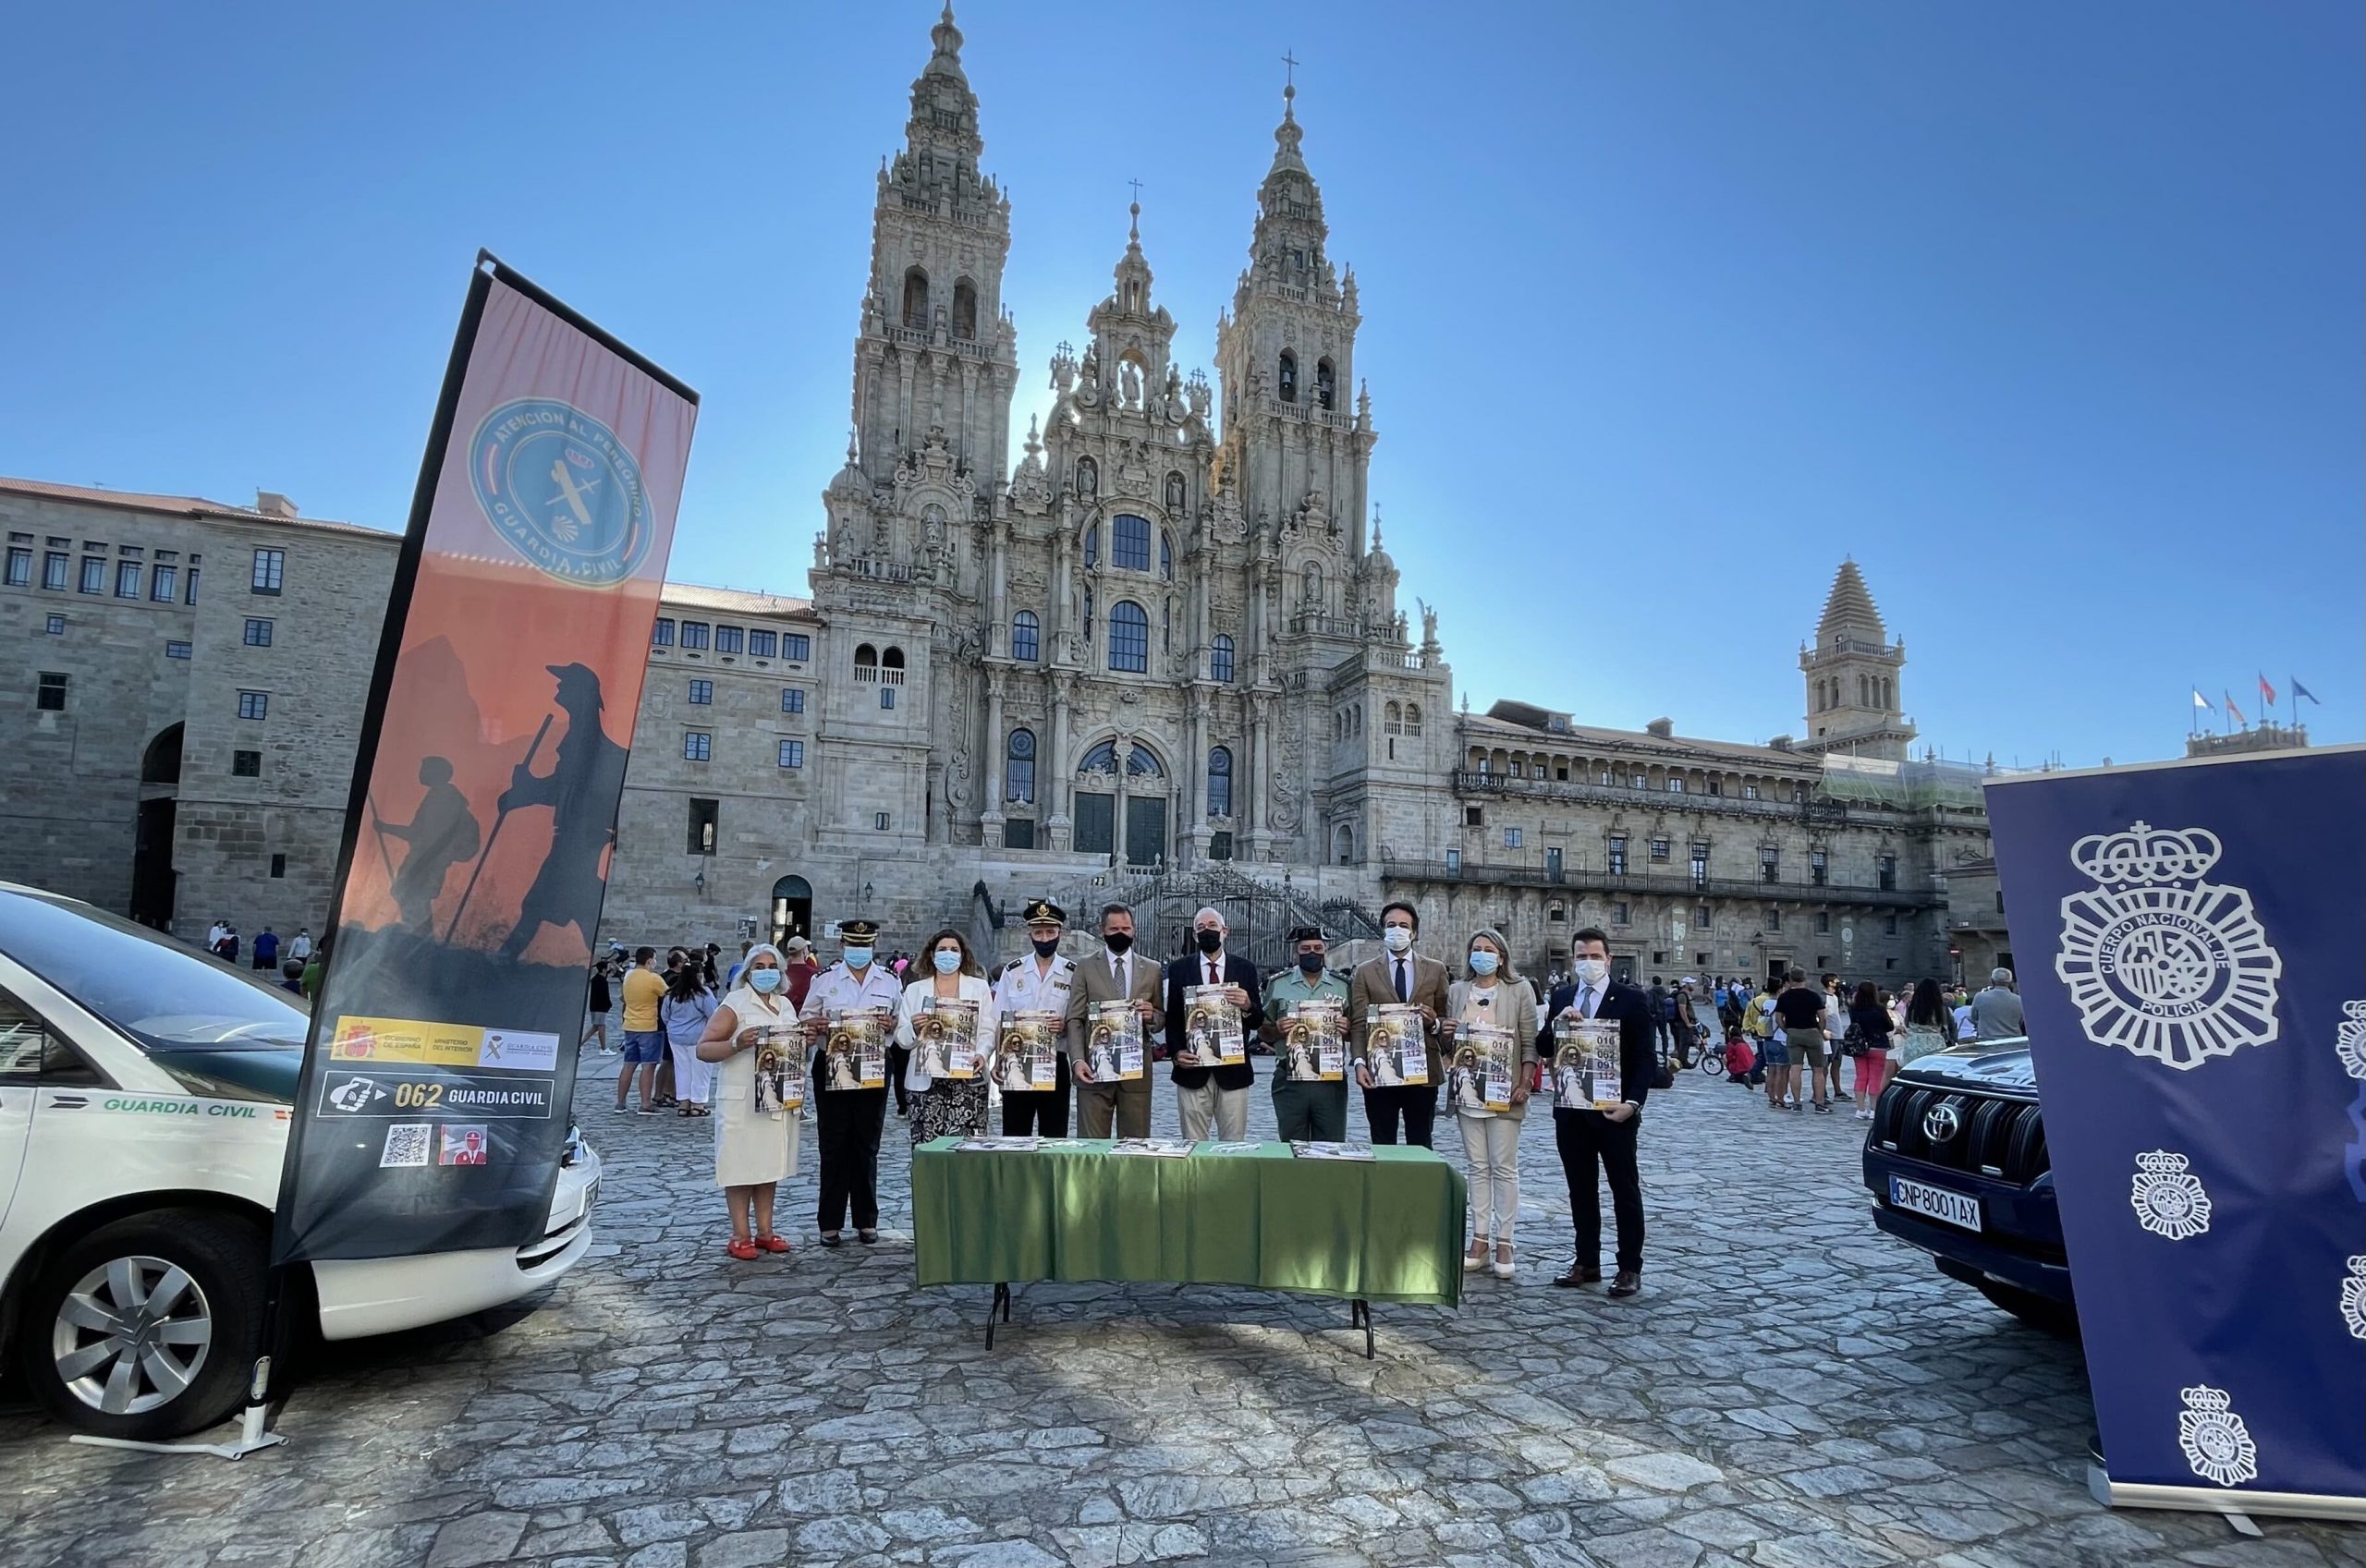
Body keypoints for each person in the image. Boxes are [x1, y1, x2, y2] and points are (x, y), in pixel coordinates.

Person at [1540, 928, 1657, 1297]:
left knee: (1624, 1188)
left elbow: (1644, 1057)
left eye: (1594, 956)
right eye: (1581, 956)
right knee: (1580, 1189)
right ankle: (1586, 1260)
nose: (1587, 962)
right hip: (1572, 1111)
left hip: (1613, 1112)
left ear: (1608, 959)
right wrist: (1558, 1023)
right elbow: (1544, 1045)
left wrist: (1633, 1103)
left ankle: (1628, 1267)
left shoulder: (1630, 999)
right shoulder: (1561, 995)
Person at [696, 943, 801, 1258]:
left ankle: (766, 1230)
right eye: (759, 966)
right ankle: (740, 1233)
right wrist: (735, 1043)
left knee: (769, 1165)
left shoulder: (784, 1005)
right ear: (747, 972)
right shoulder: (735, 1003)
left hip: (775, 1097)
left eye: (772, 966)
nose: (766, 972)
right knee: (741, 1166)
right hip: (742, 1099)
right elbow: (704, 1049)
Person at [801, 918, 902, 1246]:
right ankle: (829, 1222)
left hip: (873, 1067)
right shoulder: (825, 979)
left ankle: (866, 1220)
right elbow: (805, 1019)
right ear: (842, 946)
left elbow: (901, 1027)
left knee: (867, 1144)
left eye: (865, 946)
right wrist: (814, 1023)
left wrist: (892, 1023)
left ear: (874, 946)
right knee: (833, 1144)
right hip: (832, 1064)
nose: (859, 951)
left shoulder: (889, 981)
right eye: (853, 945)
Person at [1444, 928, 1536, 1281]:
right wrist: (1446, 1033)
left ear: (1501, 957)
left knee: (1504, 1166)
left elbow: (1528, 1042)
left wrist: (1525, 1082)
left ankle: (1505, 1240)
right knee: (1477, 1166)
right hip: (1468, 1091)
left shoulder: (1519, 990)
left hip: (1504, 1091)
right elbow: (1447, 1045)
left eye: (1488, 949)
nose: (1481, 955)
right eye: (1476, 949)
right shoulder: (1457, 991)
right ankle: (1479, 1239)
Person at [1348, 901, 1449, 1147]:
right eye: (1391, 925)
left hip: (1423, 1069)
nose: (1397, 930)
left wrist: (1434, 1023)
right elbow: (1360, 1021)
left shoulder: (1435, 970)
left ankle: (1419, 1185)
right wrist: (1359, 1062)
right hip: (1379, 1068)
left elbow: (1445, 1016)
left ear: (1413, 933)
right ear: (1383, 930)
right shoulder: (1365, 971)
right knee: (1383, 1140)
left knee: (1421, 1140)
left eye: (1403, 925)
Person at [1163, 906, 1262, 1141]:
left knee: (1233, 1143)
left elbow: (1258, 1020)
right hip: (1192, 1071)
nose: (1207, 932)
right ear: (1195, 936)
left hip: (1234, 1072)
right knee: (1193, 1143)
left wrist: (1247, 1005)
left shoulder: (1245, 968)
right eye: (1201, 928)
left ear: (1224, 931)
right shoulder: (1179, 969)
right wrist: (1176, 1053)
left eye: (1212, 927)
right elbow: (1173, 1018)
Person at [1063, 904, 1162, 1137]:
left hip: (1136, 1073)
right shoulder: (1085, 967)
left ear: (1134, 929)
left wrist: (1152, 1016)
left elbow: (1160, 1017)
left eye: (1126, 928)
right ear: (1102, 930)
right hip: (1094, 1071)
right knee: (1092, 1145)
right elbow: (1075, 1018)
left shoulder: (1152, 969)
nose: (1121, 933)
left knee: (1135, 1146)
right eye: (1114, 928)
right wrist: (1077, 1060)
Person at [896, 929, 998, 1146]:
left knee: (968, 1150)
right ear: (932, 955)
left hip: (968, 1081)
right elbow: (901, 1039)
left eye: (954, 949)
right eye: (942, 949)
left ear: (962, 955)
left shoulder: (979, 987)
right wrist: (914, 1028)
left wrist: (982, 1053)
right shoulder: (915, 990)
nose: (948, 954)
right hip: (924, 1082)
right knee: (927, 1149)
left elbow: (988, 1029)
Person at [993, 900, 1078, 1136]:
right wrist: (999, 1058)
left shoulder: (1073, 973)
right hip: (1017, 1059)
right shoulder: (1013, 971)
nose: (1044, 938)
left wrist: (1065, 1025)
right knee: (1014, 1132)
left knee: (1054, 1133)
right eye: (1038, 932)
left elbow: (1078, 1019)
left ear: (1060, 932)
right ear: (1029, 933)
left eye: (1050, 932)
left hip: (1056, 1060)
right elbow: (1001, 1016)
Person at [1261, 925, 1351, 1141]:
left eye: (1317, 947)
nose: (1312, 953)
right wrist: (1278, 1030)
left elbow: (1356, 1029)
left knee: (1331, 1146)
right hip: (1290, 1079)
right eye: (1305, 948)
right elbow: (1263, 1030)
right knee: (1292, 1144)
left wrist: (1347, 1029)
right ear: (1296, 952)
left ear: (1325, 950)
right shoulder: (1278, 985)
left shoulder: (1343, 986)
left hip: (1330, 1080)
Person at [613, 947, 667, 1114]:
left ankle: (620, 1103)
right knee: (648, 1067)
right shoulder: (653, 978)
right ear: (650, 960)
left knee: (629, 1065)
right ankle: (645, 1104)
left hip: (630, 1025)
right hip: (649, 1026)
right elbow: (667, 993)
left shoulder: (628, 976)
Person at [660, 962, 718, 1118]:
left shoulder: (672, 993)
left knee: (682, 1070)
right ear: (699, 975)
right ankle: (698, 1104)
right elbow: (713, 1015)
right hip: (698, 1037)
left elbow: (665, 1016)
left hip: (676, 1036)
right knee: (701, 1071)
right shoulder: (703, 993)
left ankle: (684, 1103)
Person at [1774, 971, 1830, 1112]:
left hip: (1793, 1032)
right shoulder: (1814, 996)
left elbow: (1778, 1019)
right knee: (1818, 1070)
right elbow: (1823, 1017)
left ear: (1791, 980)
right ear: (1805, 979)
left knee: (1795, 1069)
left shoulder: (1784, 997)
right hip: (1812, 1032)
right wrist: (1820, 1031)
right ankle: (1819, 1103)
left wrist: (1787, 1030)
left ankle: (1797, 1102)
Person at [1847, 980, 1894, 1119]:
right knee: (1875, 1077)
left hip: (1859, 1045)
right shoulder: (1879, 1008)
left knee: (1861, 1076)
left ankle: (1860, 1109)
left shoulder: (1853, 1008)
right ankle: (1873, 1109)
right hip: (1878, 1045)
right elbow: (1889, 1026)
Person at [1900, 978, 1952, 1064]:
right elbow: (1946, 1026)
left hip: (1914, 1042)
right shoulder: (1940, 1008)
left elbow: (1907, 1023)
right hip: (1935, 1042)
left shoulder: (1912, 1006)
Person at [1970, 967, 2027, 1040]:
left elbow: (1974, 1017)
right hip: (2013, 1041)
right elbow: (2021, 1021)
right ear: (2010, 982)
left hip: (1988, 1040)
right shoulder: (2019, 1000)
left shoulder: (1980, 997)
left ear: (1992, 980)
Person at [582, 957, 615, 1054]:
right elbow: (604, 995)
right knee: (601, 1027)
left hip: (595, 1007)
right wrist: (609, 1004)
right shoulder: (601, 981)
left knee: (595, 1027)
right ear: (604, 969)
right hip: (600, 1008)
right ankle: (603, 1049)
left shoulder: (597, 978)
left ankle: (579, 1044)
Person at [781, 937, 822, 1011]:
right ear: (804, 951)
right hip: (807, 1015)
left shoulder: (781, 973)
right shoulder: (814, 974)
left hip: (784, 1013)